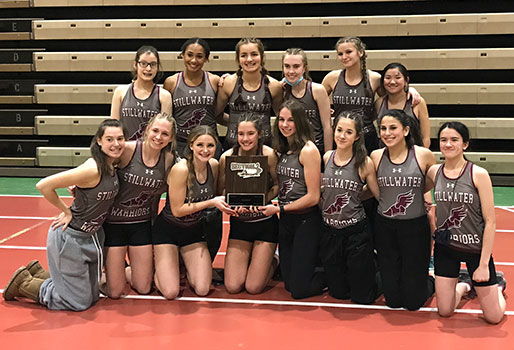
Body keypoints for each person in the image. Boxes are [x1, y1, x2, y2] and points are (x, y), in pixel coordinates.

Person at [3, 119, 125, 311]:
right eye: (110, 139)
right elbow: (44, 185)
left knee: (93, 296)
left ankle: (40, 273)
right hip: (71, 237)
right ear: (99, 141)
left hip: (92, 236)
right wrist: (66, 210)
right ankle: (24, 284)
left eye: (120, 138)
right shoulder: (92, 169)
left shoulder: (112, 165)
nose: (116, 144)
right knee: (78, 303)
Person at [427, 121, 506, 324]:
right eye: (444, 140)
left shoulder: (478, 174)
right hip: (446, 247)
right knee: (444, 311)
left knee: (494, 317)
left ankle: (497, 285)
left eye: (454, 140)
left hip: (474, 249)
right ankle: (465, 285)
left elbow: (490, 222)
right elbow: (417, 191)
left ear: (465, 144)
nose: (448, 144)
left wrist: (483, 265)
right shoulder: (434, 172)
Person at [152, 126, 235, 299]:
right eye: (200, 145)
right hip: (168, 231)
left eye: (210, 146)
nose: (205, 150)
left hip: (194, 232)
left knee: (203, 289)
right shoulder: (181, 169)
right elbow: (177, 210)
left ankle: (182, 264)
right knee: (170, 292)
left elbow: (220, 194)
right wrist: (211, 202)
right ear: (191, 145)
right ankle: (150, 271)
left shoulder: (213, 166)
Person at [103, 113, 176, 299]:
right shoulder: (127, 149)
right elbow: (97, 167)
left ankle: (123, 270)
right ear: (147, 130)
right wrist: (79, 186)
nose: (159, 137)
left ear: (171, 138)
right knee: (115, 292)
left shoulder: (168, 160)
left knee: (144, 287)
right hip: (114, 224)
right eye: (155, 131)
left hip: (141, 224)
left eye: (165, 134)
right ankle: (109, 272)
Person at [370, 109, 435, 310]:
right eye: (383, 129)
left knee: (413, 302)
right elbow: (374, 191)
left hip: (415, 228)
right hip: (385, 228)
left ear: (406, 130)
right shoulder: (375, 156)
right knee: (393, 301)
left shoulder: (423, 155)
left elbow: (429, 184)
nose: (387, 133)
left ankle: (434, 281)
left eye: (393, 128)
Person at [260, 99, 324, 299]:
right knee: (288, 284)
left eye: (291, 120)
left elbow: (313, 197)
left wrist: (280, 209)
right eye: (281, 119)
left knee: (299, 290)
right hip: (286, 221)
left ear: (300, 122)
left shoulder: (309, 150)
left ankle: (331, 272)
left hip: (306, 220)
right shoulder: (283, 150)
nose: (285, 124)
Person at [319, 111, 380, 304]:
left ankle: (384, 274)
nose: (342, 136)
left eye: (348, 132)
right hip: (330, 232)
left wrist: (355, 196)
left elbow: (376, 193)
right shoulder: (327, 157)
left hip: (356, 233)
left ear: (357, 136)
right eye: (339, 130)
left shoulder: (364, 163)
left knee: (362, 297)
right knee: (339, 293)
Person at [322, 36, 420, 155]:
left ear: (360, 52)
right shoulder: (332, 78)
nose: (344, 57)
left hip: (367, 138)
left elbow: (392, 97)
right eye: (340, 54)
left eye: (348, 52)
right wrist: (325, 110)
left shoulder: (374, 78)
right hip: (341, 137)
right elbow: (316, 97)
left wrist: (410, 89)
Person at [218, 112, 279, 294]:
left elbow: (277, 185)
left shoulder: (269, 155)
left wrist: (263, 200)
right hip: (240, 224)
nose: (245, 139)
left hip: (264, 224)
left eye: (250, 133)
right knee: (233, 286)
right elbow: (221, 191)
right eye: (241, 134)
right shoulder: (226, 157)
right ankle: (256, 260)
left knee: (253, 288)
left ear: (259, 134)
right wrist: (232, 203)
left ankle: (275, 259)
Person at [216, 37, 283, 149]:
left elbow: (280, 119)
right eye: (243, 55)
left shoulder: (274, 86)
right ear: (238, 59)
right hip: (232, 147)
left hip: (264, 148)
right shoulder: (228, 83)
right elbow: (217, 115)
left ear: (262, 57)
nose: (249, 59)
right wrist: (236, 124)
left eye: (254, 54)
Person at [164, 38, 223, 158]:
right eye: (189, 55)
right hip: (181, 144)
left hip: (209, 145)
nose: (194, 60)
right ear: (182, 55)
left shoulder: (214, 81)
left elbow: (219, 114)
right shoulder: (171, 82)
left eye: (199, 56)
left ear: (206, 58)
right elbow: (166, 118)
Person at [111, 45, 172, 140]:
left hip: (150, 151)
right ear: (135, 65)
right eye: (143, 63)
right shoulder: (120, 92)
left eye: (153, 64)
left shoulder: (164, 96)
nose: (148, 69)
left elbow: (165, 131)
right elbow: (113, 128)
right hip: (125, 150)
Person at [282, 48, 332, 155]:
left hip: (316, 149)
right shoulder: (281, 91)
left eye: (296, 66)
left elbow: (327, 127)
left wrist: (328, 157)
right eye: (287, 66)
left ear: (304, 68)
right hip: (292, 151)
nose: (291, 71)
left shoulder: (317, 90)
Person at [375, 62, 430, 148]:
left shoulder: (417, 102)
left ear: (406, 80)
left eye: (397, 77)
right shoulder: (379, 103)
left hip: (412, 156)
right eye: (388, 78)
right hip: (386, 155)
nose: (392, 82)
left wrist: (419, 157)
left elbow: (426, 137)